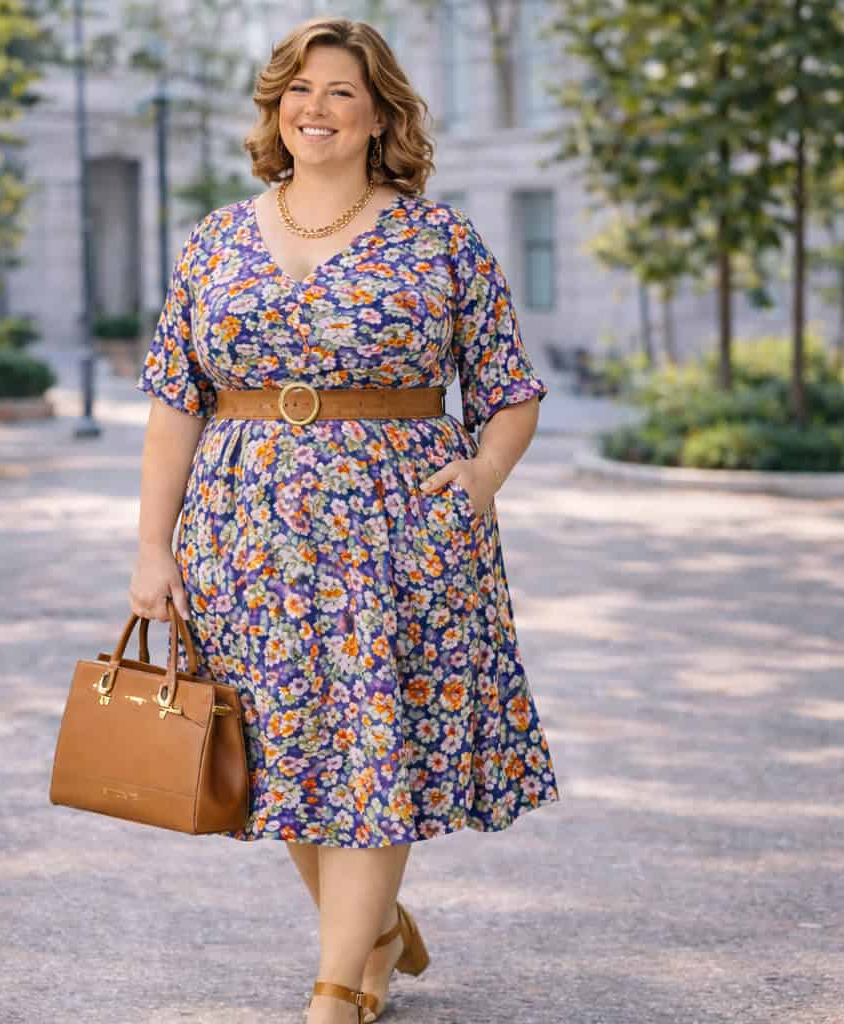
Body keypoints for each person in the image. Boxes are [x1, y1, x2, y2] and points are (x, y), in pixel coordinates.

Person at [129, 15, 560, 1024]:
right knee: (280, 748)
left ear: (378, 118)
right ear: (276, 109)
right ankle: (369, 931)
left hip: (396, 530)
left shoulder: (438, 238)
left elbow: (509, 388)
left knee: (370, 743)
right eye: (298, 91)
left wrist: (483, 473)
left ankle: (335, 990)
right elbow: (171, 399)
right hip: (243, 534)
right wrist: (152, 545)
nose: (314, 109)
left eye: (338, 93)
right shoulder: (215, 241)